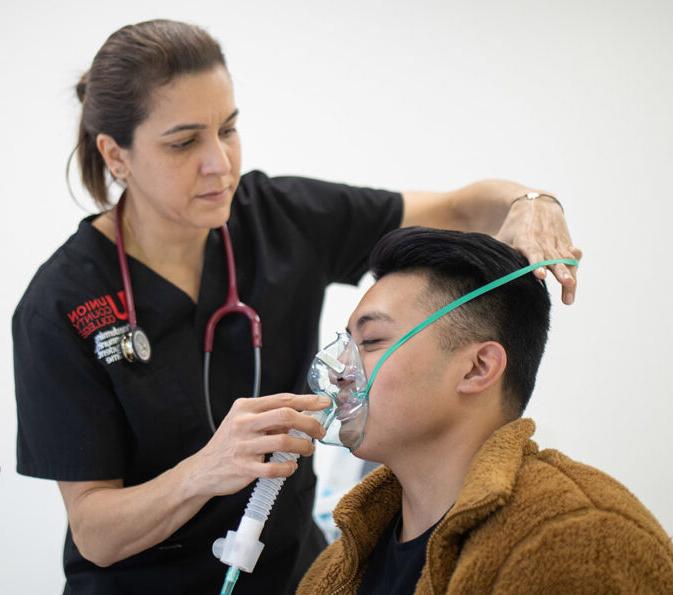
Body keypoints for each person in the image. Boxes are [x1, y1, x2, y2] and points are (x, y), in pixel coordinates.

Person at [12, 19, 581, 595]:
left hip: (295, 576)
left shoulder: (281, 220)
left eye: (228, 130)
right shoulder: (62, 302)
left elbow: (460, 209)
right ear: (116, 155)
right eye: (184, 142)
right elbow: (95, 532)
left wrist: (533, 202)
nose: (220, 163)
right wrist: (205, 471)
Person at [297, 227, 673, 594]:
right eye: (348, 342)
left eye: (371, 340)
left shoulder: (579, 538)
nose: (340, 372)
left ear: (478, 367)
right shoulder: (337, 568)